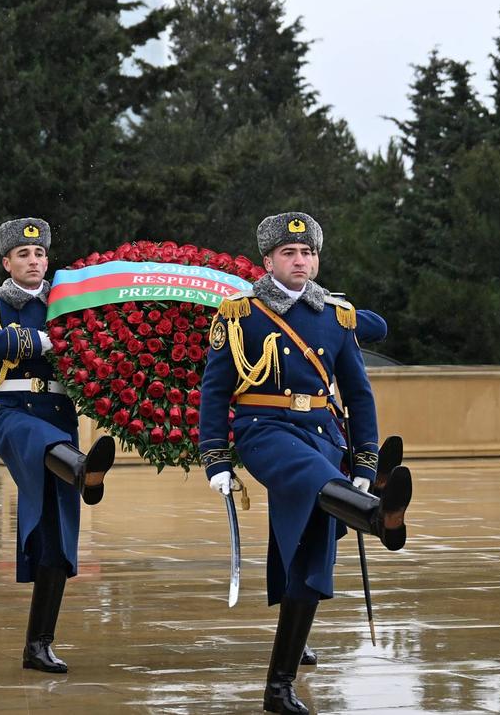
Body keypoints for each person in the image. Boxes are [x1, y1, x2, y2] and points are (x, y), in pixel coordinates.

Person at [197, 212, 413, 715]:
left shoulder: (334, 318)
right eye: (290, 253)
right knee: (318, 480)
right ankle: (374, 514)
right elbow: (214, 390)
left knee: (312, 557)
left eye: (308, 253)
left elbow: (359, 395)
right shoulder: (240, 314)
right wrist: (216, 458)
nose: (301, 261)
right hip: (264, 432)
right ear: (268, 260)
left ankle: (279, 687)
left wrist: (364, 457)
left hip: (321, 433)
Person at [0, 217, 116, 674]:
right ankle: (85, 468)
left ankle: (38, 644)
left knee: (57, 536)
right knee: (39, 440)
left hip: (59, 417)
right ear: (6, 261)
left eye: (40, 254)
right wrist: (40, 340)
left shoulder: (67, 304)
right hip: (12, 412)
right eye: (24, 255)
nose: (34, 261)